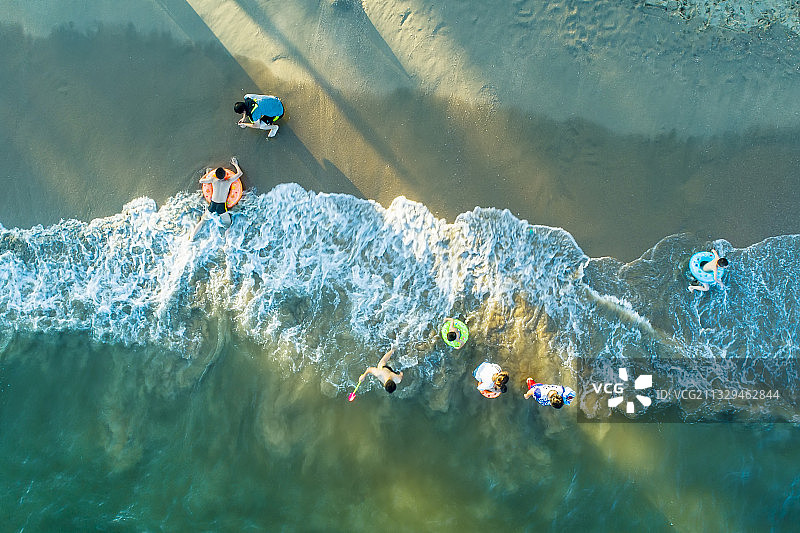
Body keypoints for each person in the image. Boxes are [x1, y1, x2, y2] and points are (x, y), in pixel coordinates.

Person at [190, 157, 242, 239]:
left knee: (202, 221)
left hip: (213, 204)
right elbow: (240, 173)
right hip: (221, 207)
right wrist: (236, 164)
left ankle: (191, 238)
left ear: (216, 175)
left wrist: (207, 174)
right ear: (225, 174)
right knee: (228, 225)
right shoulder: (228, 181)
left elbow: (201, 181)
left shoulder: (213, 179)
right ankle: (227, 243)